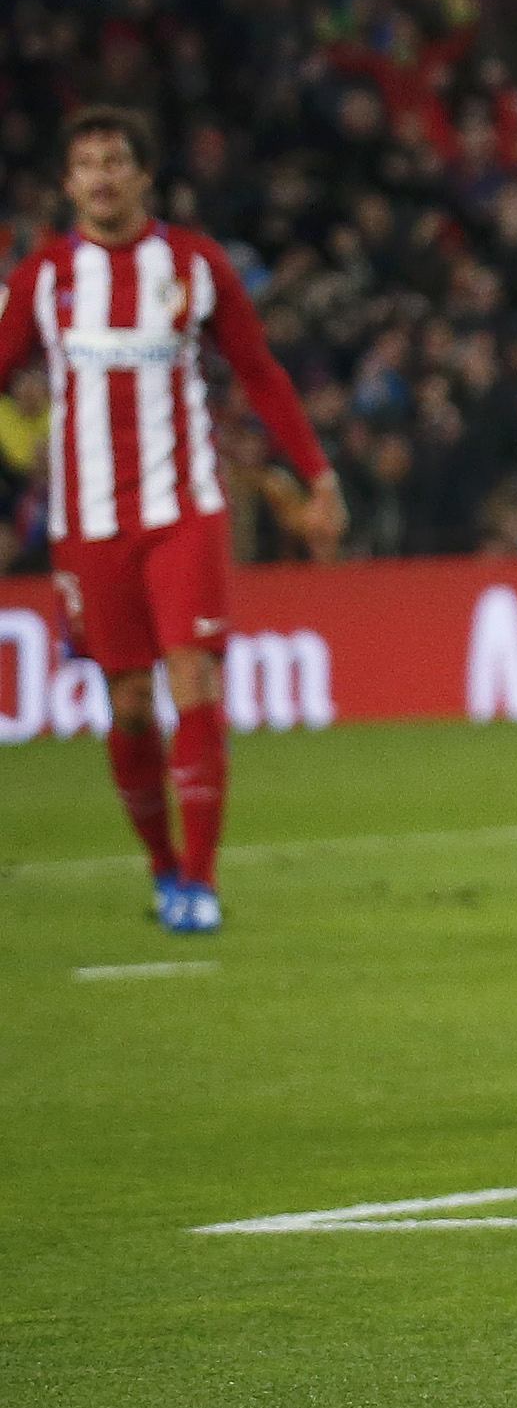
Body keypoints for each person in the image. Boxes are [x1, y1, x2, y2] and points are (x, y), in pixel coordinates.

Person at [0, 107, 345, 933]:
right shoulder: (44, 277)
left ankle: (200, 879)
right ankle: (160, 868)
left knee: (193, 676)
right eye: (87, 164)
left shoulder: (192, 264)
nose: (103, 177)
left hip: (184, 506)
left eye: (117, 161)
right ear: (68, 183)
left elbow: (258, 371)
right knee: (126, 702)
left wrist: (319, 474)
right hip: (86, 521)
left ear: (144, 175)